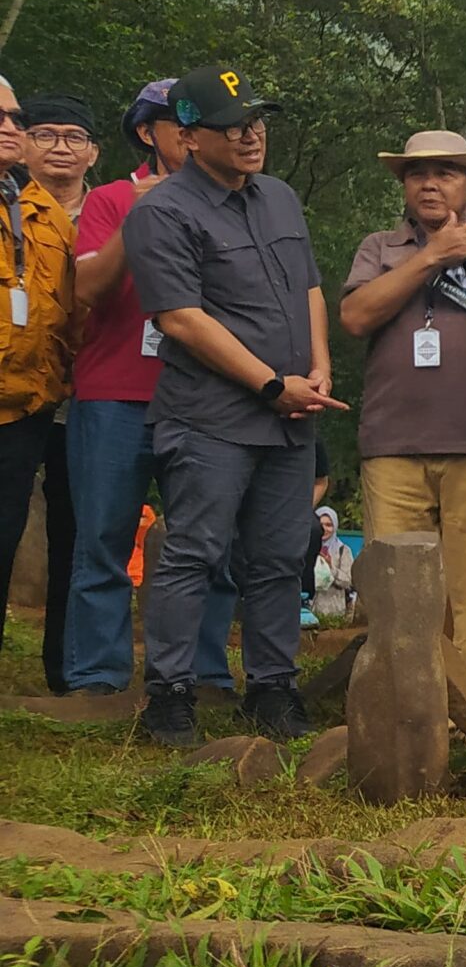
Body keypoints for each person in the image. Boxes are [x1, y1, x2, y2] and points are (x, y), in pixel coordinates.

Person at [124, 65, 338, 746]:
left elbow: (309, 289)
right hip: (210, 418)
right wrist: (272, 385)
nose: (251, 136)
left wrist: (319, 368)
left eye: (257, 122)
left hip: (292, 416)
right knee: (194, 553)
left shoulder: (280, 198)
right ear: (188, 136)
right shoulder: (161, 212)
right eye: (233, 126)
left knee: (279, 556)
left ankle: (273, 689)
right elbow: (181, 318)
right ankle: (169, 696)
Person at [60, 79, 237, 696]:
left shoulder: (234, 201)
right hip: (114, 393)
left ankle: (201, 674)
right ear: (146, 132)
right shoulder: (110, 198)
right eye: (179, 124)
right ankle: (98, 677)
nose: (193, 135)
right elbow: (87, 289)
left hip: (207, 396)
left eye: (203, 123)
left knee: (208, 545)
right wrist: (140, 214)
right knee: (103, 539)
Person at [338, 130, 466, 671]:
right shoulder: (380, 248)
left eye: (445, 173)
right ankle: (402, 706)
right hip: (393, 444)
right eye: (417, 174)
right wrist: (432, 256)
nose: (429, 184)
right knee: (396, 590)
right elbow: (354, 317)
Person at [0, 78, 79, 671]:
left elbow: (67, 310)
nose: (11, 127)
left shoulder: (43, 212)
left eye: (14, 117)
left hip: (30, 401)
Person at [309, 506, 354, 618]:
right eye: (321, 525)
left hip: (333, 615)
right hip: (307, 612)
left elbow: (348, 582)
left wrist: (330, 567)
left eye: (329, 525)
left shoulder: (343, 550)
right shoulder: (306, 548)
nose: (324, 529)